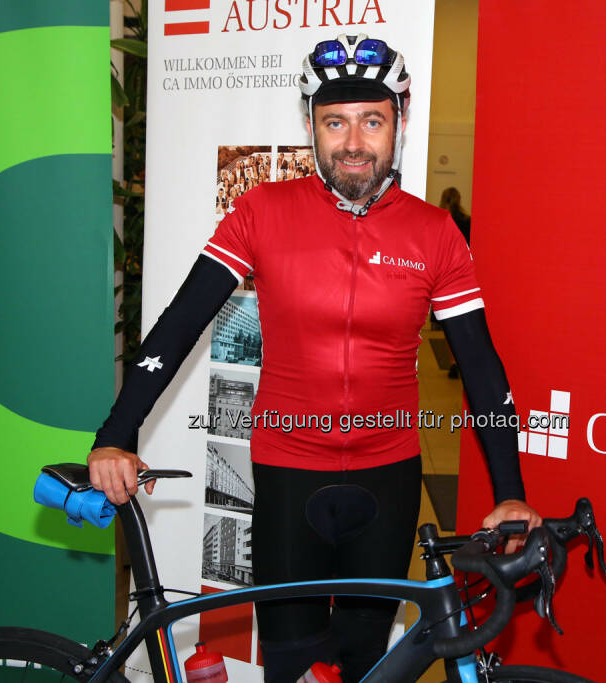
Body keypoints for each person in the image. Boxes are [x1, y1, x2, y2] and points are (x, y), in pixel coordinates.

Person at [87, 34, 541, 683]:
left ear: (399, 122)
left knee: (366, 663)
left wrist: (511, 493)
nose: (353, 140)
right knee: (293, 665)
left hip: (388, 475)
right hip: (287, 472)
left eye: (371, 120)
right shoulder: (260, 212)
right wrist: (115, 434)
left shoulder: (433, 232)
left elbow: (480, 363)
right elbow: (179, 325)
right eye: (335, 121)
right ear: (311, 127)